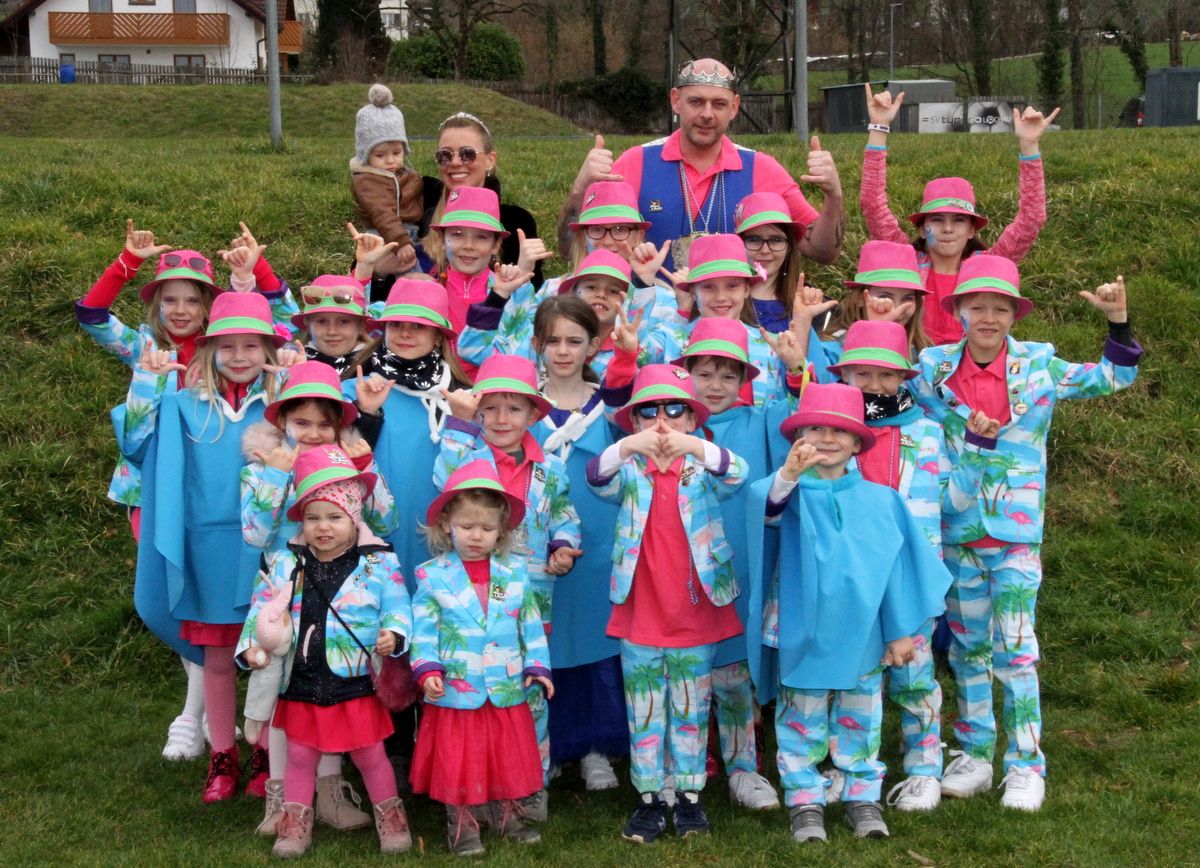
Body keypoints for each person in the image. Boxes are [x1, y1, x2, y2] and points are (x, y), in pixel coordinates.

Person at [912, 256, 1141, 811]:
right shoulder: (931, 368)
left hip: (1016, 538)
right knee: (967, 650)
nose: (988, 317)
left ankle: (1025, 765)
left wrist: (1118, 324)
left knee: (1014, 651)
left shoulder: (1039, 365)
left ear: (1014, 315)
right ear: (959, 311)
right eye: (978, 306)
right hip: (956, 533)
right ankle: (973, 756)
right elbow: (881, 399)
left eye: (1000, 308)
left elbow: (1112, 377)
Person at [745, 383, 953, 842]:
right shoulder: (787, 493)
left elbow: (893, 570)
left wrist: (898, 630)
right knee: (800, 719)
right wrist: (789, 474)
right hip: (802, 629)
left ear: (858, 442)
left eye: (839, 431)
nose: (826, 438)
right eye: (815, 429)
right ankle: (805, 800)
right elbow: (766, 510)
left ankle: (862, 795)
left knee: (861, 718)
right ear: (797, 438)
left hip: (863, 632)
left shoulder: (881, 500)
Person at [119, 292, 291, 803]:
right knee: (217, 658)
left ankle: (266, 753)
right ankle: (222, 755)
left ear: (267, 350)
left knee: (272, 655)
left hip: (269, 551)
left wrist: (294, 381)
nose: (239, 356)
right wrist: (146, 381)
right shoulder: (182, 404)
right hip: (208, 551)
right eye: (227, 346)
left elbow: (314, 444)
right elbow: (135, 444)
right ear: (210, 349)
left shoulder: (284, 408)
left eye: (251, 346)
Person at [825, 320, 994, 811]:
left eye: (886, 375)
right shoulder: (831, 434)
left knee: (915, 679)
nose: (874, 385)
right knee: (853, 679)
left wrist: (976, 452)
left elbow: (953, 503)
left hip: (912, 580)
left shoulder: (926, 432)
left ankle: (923, 769)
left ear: (904, 378)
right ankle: (848, 767)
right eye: (862, 374)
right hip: (852, 579)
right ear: (845, 375)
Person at [76, 221, 221, 761]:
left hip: (208, 496)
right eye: (169, 299)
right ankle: (198, 711)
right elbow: (91, 316)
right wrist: (125, 264)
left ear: (209, 306)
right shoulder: (143, 347)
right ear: (157, 304)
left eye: (192, 300)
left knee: (202, 595)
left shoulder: (226, 353)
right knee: (167, 597)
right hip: (148, 495)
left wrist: (254, 279)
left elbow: (278, 327)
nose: (180, 310)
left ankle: (197, 712)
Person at [587, 364, 749, 843]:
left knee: (690, 706)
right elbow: (596, 477)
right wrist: (626, 447)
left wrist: (694, 447)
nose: (662, 421)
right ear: (634, 422)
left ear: (693, 420)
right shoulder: (629, 471)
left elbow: (737, 473)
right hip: (639, 608)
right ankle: (650, 798)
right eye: (648, 412)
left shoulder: (703, 470)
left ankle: (689, 797)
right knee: (644, 706)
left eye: (675, 410)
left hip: (696, 608)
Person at [238, 360, 397, 830]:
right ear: (283, 420)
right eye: (301, 422)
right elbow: (254, 534)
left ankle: (328, 793)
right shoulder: (261, 468)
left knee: (328, 689)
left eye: (323, 424)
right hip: (285, 593)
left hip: (341, 591)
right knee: (285, 692)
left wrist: (366, 466)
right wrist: (274, 478)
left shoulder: (347, 465)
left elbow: (386, 521)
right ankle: (280, 797)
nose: (312, 433)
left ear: (338, 427)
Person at [438, 353, 583, 819]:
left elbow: (564, 514)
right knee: (475, 693)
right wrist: (459, 427)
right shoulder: (466, 453)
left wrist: (563, 545)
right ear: (477, 411)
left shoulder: (551, 468)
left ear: (534, 414)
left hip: (532, 600)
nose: (502, 419)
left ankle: (529, 784)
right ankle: (477, 784)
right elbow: (443, 482)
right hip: (470, 600)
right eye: (490, 408)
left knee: (530, 690)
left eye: (514, 408)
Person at [670, 319, 791, 811]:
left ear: (744, 379)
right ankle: (683, 764)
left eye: (728, 375)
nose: (716, 386)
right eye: (705, 374)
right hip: (679, 572)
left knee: (735, 674)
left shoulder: (760, 421)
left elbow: (799, 421)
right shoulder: (671, 424)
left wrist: (795, 366)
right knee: (685, 674)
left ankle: (744, 767)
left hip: (739, 571)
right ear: (687, 375)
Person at [559, 58, 845, 267]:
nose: (707, 114)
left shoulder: (762, 169)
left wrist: (834, 197)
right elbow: (570, 249)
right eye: (696, 102)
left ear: (734, 107)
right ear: (676, 101)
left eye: (719, 104)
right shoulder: (636, 163)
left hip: (732, 319)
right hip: (648, 318)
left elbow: (822, 252)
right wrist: (580, 188)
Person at [410, 460, 552, 856]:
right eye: (467, 526)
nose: (477, 535)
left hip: (506, 684)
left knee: (505, 754)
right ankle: (462, 822)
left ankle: (505, 813)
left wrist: (538, 666)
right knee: (460, 757)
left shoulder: (515, 572)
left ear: (501, 531)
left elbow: (530, 623)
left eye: (487, 529)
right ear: (446, 525)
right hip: (457, 688)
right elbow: (423, 631)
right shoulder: (432, 575)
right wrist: (427, 669)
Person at [859, 83, 1059, 344]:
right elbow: (872, 205)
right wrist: (879, 127)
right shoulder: (906, 262)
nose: (948, 228)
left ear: (972, 229)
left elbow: (1032, 218)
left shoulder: (988, 267)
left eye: (959, 220)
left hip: (970, 363)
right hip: (913, 361)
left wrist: (1029, 146)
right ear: (922, 229)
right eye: (937, 219)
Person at [528, 295, 629, 791]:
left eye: (575, 341)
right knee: (545, 640)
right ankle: (547, 743)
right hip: (535, 545)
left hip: (601, 539)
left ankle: (595, 747)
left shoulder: (610, 405)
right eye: (553, 341)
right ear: (537, 344)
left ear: (594, 345)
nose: (564, 351)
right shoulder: (522, 404)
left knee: (594, 637)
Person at [408, 111, 544, 291]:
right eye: (445, 155)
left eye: (467, 154)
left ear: (490, 160)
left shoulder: (515, 222)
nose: (455, 162)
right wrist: (381, 273)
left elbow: (534, 300)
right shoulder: (422, 215)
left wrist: (522, 275)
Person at [350, 83, 424, 279]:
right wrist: (401, 241)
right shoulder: (367, 180)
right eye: (380, 155)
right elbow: (382, 213)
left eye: (397, 153)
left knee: (414, 273)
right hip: (387, 237)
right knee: (412, 279)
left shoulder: (401, 173)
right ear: (366, 155)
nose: (390, 160)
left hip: (408, 234)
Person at [817, 239, 931, 365]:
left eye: (908, 298)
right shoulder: (833, 349)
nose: (897, 309)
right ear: (860, 298)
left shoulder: (925, 354)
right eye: (885, 297)